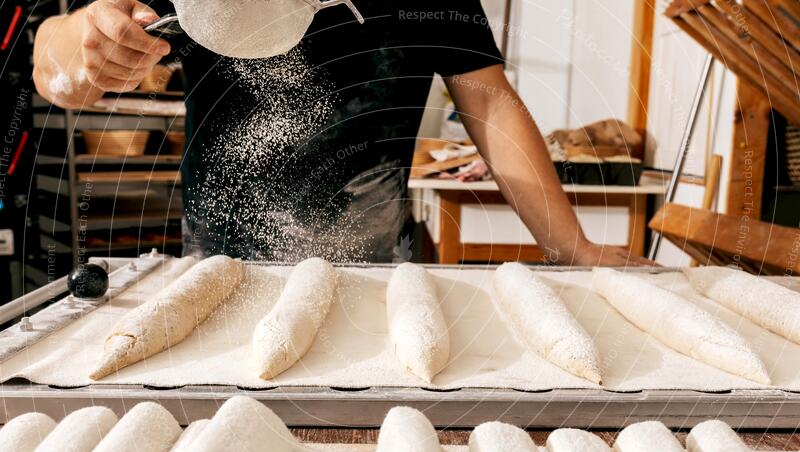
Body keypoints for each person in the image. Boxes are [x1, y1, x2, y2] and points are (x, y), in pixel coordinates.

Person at [33, 0, 653, 265]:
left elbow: (489, 104)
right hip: (221, 275)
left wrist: (573, 247)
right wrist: (78, 45)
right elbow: (58, 58)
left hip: (377, 273)